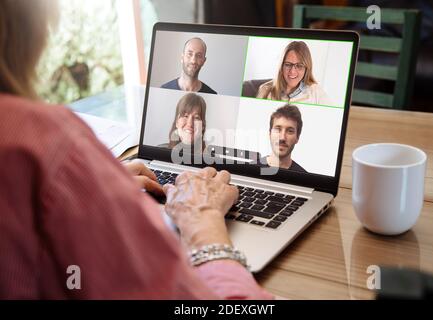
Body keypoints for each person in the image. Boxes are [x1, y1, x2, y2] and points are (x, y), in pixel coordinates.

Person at [0, 0, 271, 299]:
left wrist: (87, 193)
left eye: (198, 118)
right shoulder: (45, 143)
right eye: (185, 116)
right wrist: (203, 223)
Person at [257, 41, 332, 105]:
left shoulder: (316, 92)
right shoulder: (265, 90)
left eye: (299, 66)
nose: (292, 71)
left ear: (307, 68)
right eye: (288, 64)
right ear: (281, 66)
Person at [260, 105, 307, 173]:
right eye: (278, 129)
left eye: (290, 131)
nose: (282, 138)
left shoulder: (304, 179)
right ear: (270, 134)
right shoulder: (248, 171)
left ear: (297, 137)